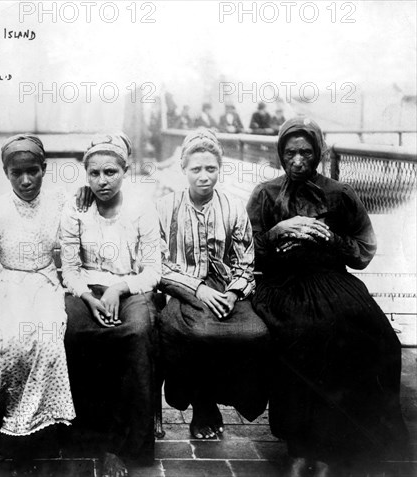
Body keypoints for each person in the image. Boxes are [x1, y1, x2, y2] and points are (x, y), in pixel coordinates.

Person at [247, 116, 408, 476]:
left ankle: (338, 445)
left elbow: (363, 252)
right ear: (280, 155)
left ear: (318, 153)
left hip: (331, 280)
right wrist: (277, 232)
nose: (298, 160)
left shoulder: (340, 194)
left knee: (375, 335)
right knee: (305, 334)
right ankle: (299, 446)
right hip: (282, 285)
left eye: (306, 152)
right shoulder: (265, 194)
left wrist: (329, 239)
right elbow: (246, 252)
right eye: (290, 153)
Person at [0, 135, 76, 462]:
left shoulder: (60, 203)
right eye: (17, 173)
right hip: (6, 282)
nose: (26, 180)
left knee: (48, 339)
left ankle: (44, 426)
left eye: (33, 171)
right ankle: (9, 423)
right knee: (9, 340)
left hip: (44, 281)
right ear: (6, 173)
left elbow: (77, 232)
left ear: (44, 169)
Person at [156, 128, 270, 439]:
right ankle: (201, 404)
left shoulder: (233, 206)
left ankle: (230, 398)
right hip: (182, 289)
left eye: (211, 168)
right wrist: (197, 289)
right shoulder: (166, 207)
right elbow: (157, 263)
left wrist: (234, 293)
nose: (204, 176)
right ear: (183, 170)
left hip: (226, 290)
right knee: (195, 333)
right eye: (196, 169)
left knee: (256, 333)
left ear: (220, 169)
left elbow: (245, 261)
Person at [60, 133, 161, 477]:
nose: (102, 181)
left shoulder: (141, 207)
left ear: (125, 171)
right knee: (74, 332)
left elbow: (153, 270)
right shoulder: (76, 208)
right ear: (85, 175)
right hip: (86, 288)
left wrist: (119, 288)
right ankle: (88, 438)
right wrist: (87, 296)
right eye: (94, 174)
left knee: (136, 334)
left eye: (110, 172)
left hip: (130, 286)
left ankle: (128, 446)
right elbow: (70, 270)